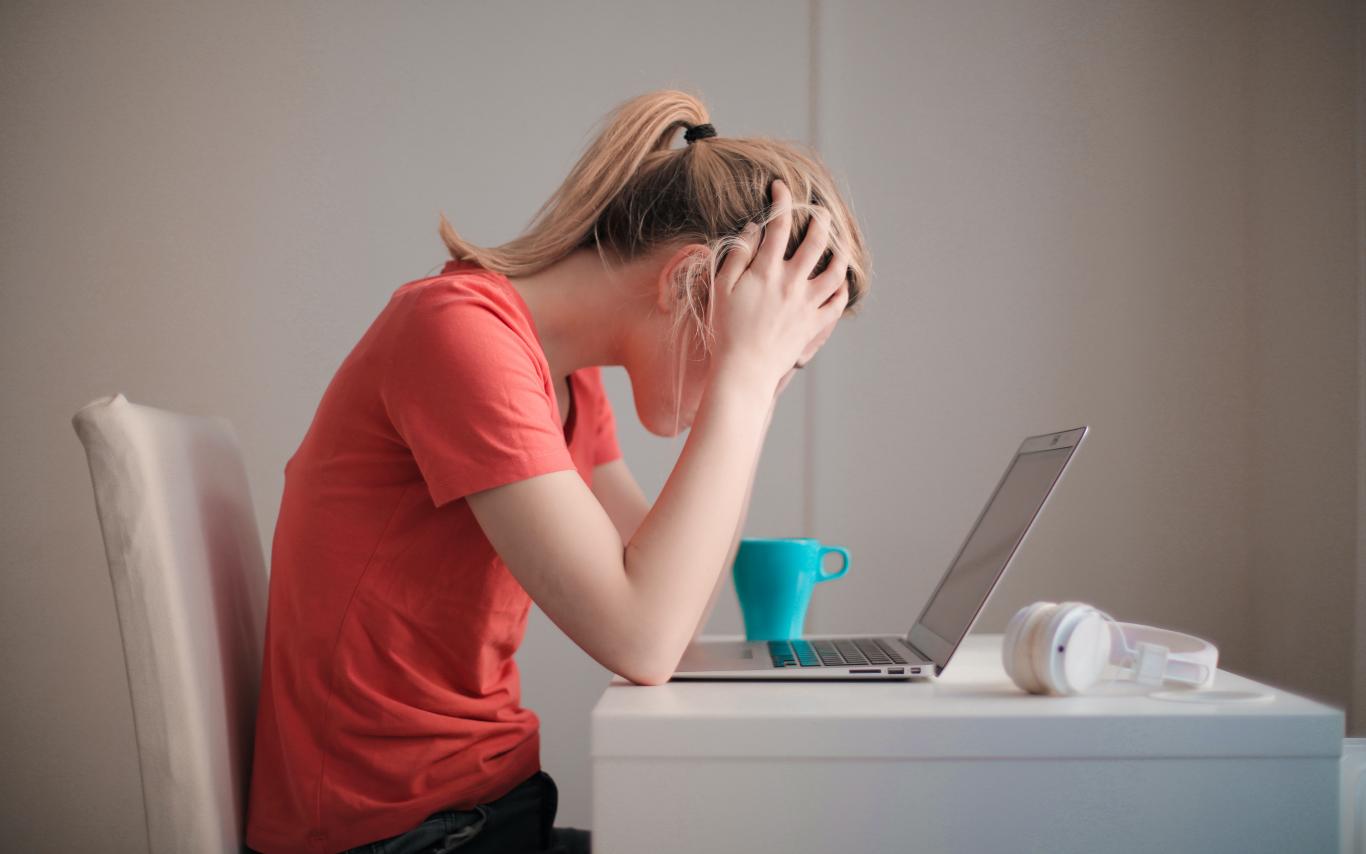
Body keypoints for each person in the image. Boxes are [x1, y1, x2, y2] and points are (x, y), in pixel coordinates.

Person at [244, 89, 870, 854]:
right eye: (771, 347)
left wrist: (752, 388)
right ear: (684, 284)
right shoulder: (458, 338)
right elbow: (643, 639)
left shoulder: (567, 381)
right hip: (397, 837)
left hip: (486, 812)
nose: (767, 375)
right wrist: (742, 384)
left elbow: (678, 609)